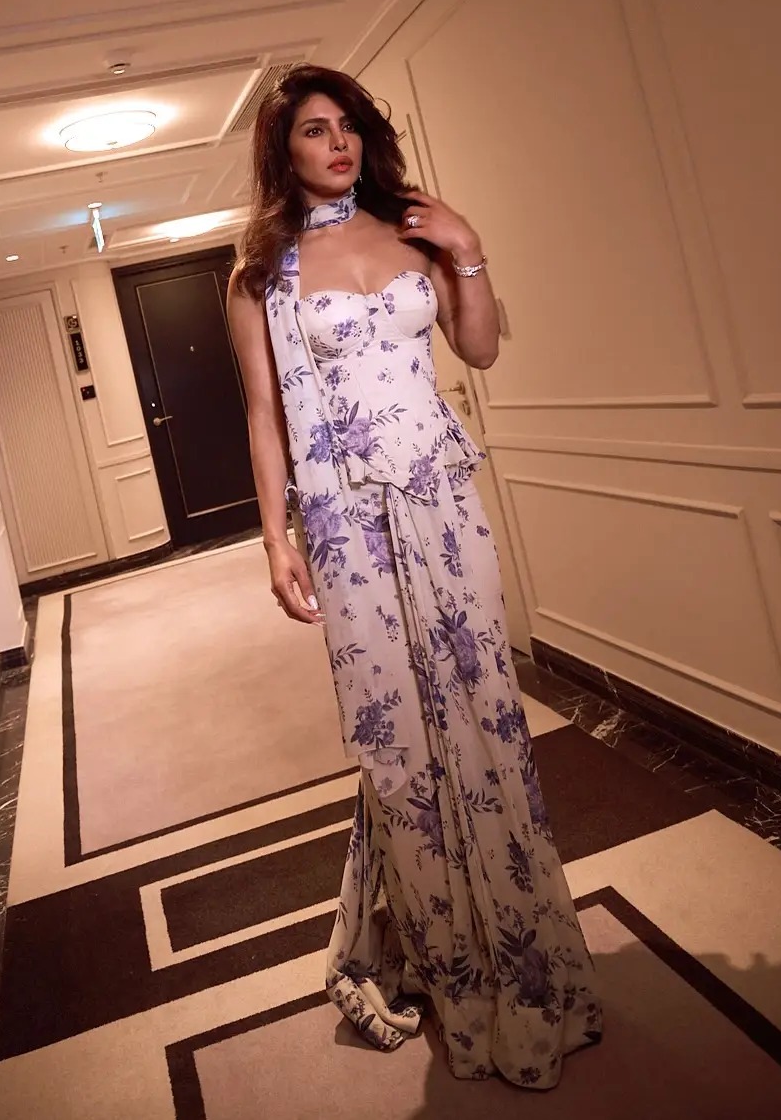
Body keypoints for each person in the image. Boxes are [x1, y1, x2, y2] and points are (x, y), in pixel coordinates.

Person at [227, 64, 601, 1088]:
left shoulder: (417, 231)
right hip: (346, 522)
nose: (337, 143)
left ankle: (526, 951)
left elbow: (476, 350)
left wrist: (468, 249)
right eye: (315, 129)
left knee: (484, 713)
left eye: (348, 125)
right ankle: (450, 967)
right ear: (284, 150)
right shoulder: (261, 273)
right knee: (397, 738)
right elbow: (264, 415)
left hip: (442, 502)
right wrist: (275, 539)